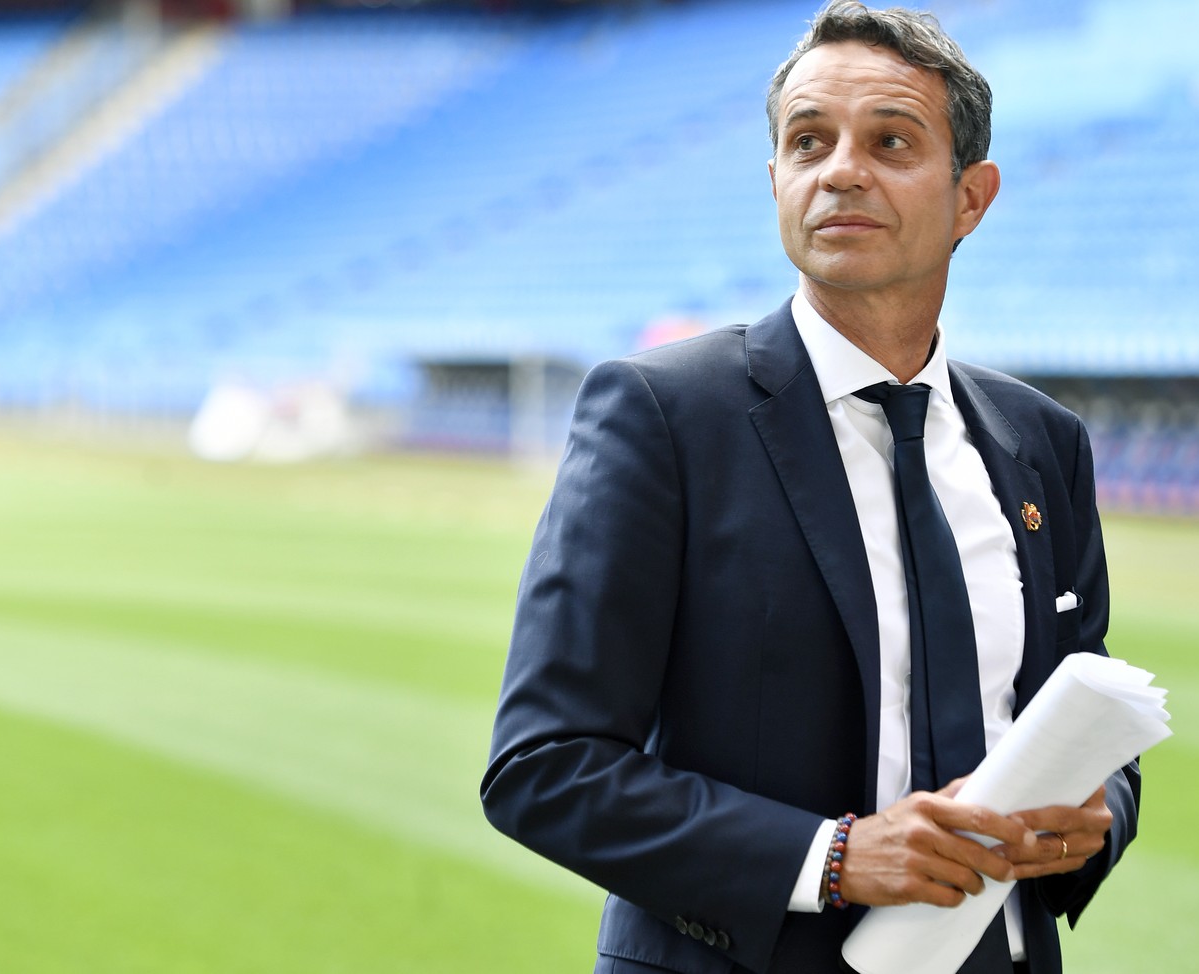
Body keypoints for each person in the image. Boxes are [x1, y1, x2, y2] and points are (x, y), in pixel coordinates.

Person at [480, 3, 1140, 972]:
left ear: (971, 197)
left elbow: (1082, 716)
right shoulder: (661, 416)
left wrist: (1100, 813)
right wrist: (831, 857)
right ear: (778, 179)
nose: (840, 169)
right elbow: (544, 765)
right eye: (808, 140)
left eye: (890, 140)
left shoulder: (1043, 445)